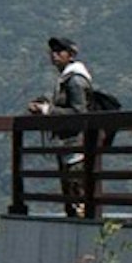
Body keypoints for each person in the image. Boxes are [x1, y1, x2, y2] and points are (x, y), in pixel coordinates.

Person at [26, 35, 106, 218]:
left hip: (76, 148)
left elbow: (79, 113)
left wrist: (47, 110)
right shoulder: (67, 79)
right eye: (52, 52)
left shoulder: (75, 81)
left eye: (59, 51)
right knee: (72, 198)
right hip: (70, 146)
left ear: (70, 55)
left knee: (77, 200)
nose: (54, 55)